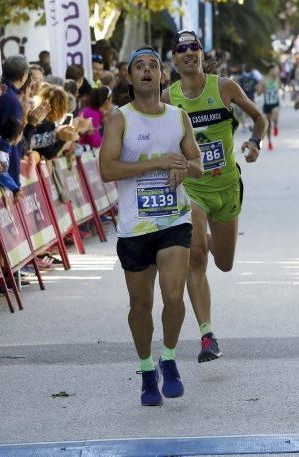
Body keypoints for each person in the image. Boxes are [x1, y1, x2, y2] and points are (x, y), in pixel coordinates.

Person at [99, 46, 203, 406]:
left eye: (153, 66)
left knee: (174, 296)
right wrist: (157, 163)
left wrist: (183, 167)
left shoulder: (178, 117)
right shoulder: (119, 118)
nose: (146, 71)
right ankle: (146, 368)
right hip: (135, 226)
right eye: (139, 66)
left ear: (162, 76)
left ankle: (169, 358)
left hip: (175, 218)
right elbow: (107, 169)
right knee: (140, 305)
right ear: (130, 77)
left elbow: (198, 164)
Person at [162, 30, 266, 363]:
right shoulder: (168, 98)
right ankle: (207, 334)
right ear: (174, 58)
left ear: (202, 53)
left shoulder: (224, 87)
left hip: (227, 186)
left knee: (223, 262)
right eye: (181, 48)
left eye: (194, 46)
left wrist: (254, 143)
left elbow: (259, 118)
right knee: (195, 256)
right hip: (192, 187)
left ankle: (204, 234)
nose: (188, 51)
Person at [257, 63, 281, 150]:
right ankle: (270, 142)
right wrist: (262, 89)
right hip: (267, 104)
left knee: (275, 112)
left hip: (275, 103)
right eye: (276, 69)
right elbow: (258, 93)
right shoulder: (263, 80)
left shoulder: (277, 79)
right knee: (267, 125)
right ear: (270, 70)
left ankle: (276, 126)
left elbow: (280, 87)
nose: (277, 71)